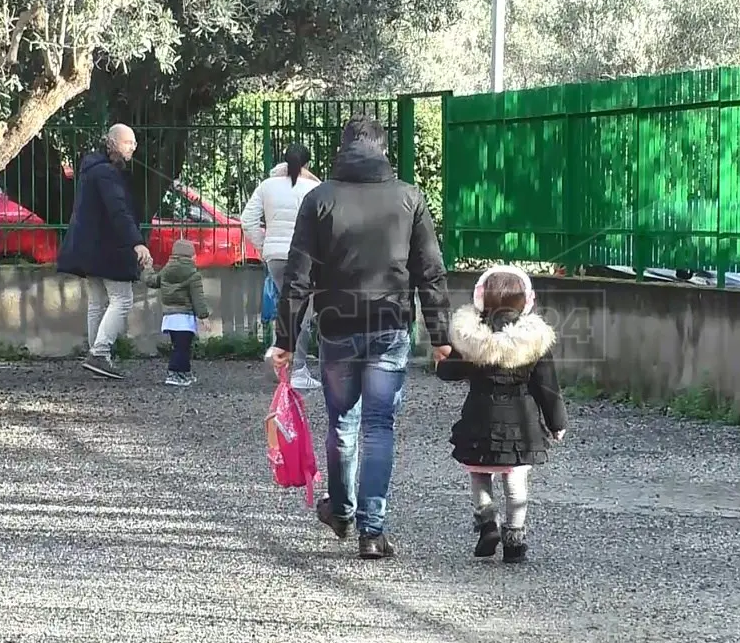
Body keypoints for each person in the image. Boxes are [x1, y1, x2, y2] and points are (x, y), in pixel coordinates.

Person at [273, 115, 453, 560]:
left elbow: (298, 277)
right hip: (389, 326)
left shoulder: (319, 200)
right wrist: (441, 335)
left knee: (342, 424)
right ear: (384, 149)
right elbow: (429, 272)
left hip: (336, 327)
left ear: (343, 147)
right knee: (379, 427)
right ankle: (373, 531)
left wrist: (286, 339)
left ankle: (342, 511)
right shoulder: (409, 198)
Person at [435, 266, 567, 563]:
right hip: (520, 421)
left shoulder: (472, 339)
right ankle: (514, 538)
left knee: (479, 473)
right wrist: (557, 423)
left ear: (480, 298)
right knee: (515, 478)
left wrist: (440, 364)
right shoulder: (534, 343)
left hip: (479, 415)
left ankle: (486, 524)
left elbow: (450, 370)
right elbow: (548, 387)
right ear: (528, 301)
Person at [57, 124, 152, 380]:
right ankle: (100, 352)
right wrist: (137, 242)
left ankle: (98, 356)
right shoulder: (107, 174)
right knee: (123, 299)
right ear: (113, 143)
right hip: (108, 247)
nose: (133, 147)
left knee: (98, 302)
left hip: (89, 248)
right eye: (128, 142)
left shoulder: (91, 169)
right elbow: (118, 211)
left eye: (134, 143)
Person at [240, 143, 322, 389]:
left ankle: (279, 356)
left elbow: (247, 219)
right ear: (307, 163)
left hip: (275, 255)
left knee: (284, 306)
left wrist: (264, 245)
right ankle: (296, 368)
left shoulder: (267, 186)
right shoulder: (314, 188)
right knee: (303, 313)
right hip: (306, 257)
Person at [141, 238, 211, 387]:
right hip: (185, 318)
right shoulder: (193, 275)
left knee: (178, 346)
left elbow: (152, 281)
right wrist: (204, 316)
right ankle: (175, 373)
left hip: (169, 317)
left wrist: (148, 268)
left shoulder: (166, 271)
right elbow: (198, 298)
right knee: (183, 348)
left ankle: (185, 373)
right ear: (191, 257)